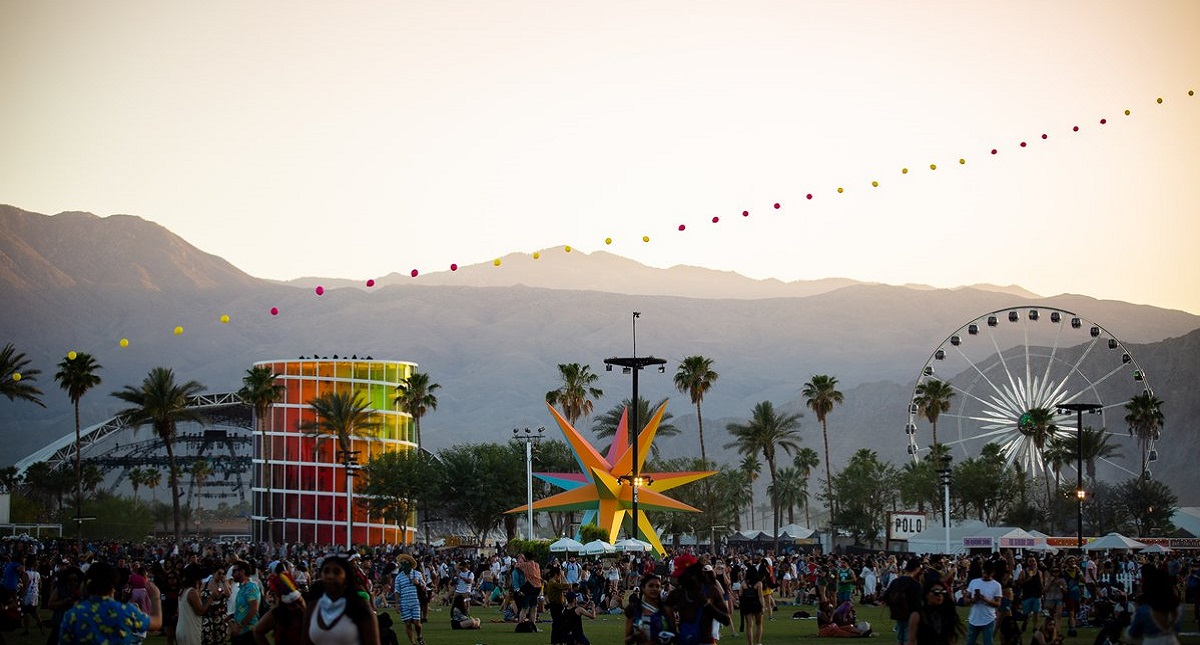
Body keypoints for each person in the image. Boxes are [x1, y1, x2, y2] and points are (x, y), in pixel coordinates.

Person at [59, 560, 163, 645]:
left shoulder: (72, 615)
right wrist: (155, 598)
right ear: (112, 586)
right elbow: (156, 623)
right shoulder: (125, 611)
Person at [302, 555, 380, 645]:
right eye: (326, 571)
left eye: (336, 572)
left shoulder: (360, 607)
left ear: (346, 577)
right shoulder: (313, 608)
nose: (330, 576)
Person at [663, 555, 730, 645]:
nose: (679, 579)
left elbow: (726, 620)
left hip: (706, 641)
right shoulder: (677, 594)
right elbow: (665, 612)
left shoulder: (711, 590)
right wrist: (674, 630)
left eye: (682, 575)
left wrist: (707, 605)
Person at [253, 572, 307, 645]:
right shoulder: (277, 614)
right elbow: (258, 631)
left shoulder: (310, 611)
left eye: (300, 602)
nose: (298, 606)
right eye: (292, 605)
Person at [906, 580, 964, 645]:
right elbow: (911, 641)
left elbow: (951, 638)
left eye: (943, 592)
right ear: (926, 594)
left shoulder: (947, 613)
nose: (940, 595)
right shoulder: (917, 615)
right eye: (936, 592)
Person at [885, 558, 925, 645]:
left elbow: (886, 596)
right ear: (917, 569)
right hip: (911, 613)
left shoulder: (896, 581)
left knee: (900, 637)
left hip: (898, 612)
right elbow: (918, 603)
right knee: (909, 638)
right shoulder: (915, 584)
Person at [44, 564, 83, 645]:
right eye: (70, 580)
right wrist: (64, 602)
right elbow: (50, 605)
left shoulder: (82, 591)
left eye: (75, 580)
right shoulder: (60, 589)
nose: (73, 583)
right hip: (60, 625)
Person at [965, 561, 1002, 645]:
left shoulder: (996, 585)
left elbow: (998, 604)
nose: (985, 575)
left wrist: (985, 599)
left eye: (988, 573)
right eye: (984, 572)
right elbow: (965, 599)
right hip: (974, 618)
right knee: (970, 642)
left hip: (988, 619)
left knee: (988, 642)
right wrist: (972, 600)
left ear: (993, 573)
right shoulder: (974, 582)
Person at [392, 554, 425, 645]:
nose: (403, 564)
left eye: (405, 563)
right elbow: (397, 591)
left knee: (417, 622)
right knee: (407, 623)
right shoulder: (399, 577)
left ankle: (419, 637)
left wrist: (418, 583)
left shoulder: (417, 574)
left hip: (415, 601)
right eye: (401, 563)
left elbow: (424, 586)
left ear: (410, 564)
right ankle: (412, 642)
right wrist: (397, 604)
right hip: (404, 602)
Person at [625, 573, 666, 645]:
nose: (654, 589)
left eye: (658, 586)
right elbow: (627, 641)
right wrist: (635, 636)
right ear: (643, 588)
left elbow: (675, 636)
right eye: (651, 586)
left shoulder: (666, 609)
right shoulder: (634, 610)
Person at [230, 560, 262, 644]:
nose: (232, 574)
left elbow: (254, 609)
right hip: (240, 632)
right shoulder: (242, 587)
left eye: (234, 571)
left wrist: (240, 626)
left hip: (247, 632)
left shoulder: (250, 587)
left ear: (242, 571)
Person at [202, 565, 231, 645]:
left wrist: (224, 582)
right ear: (214, 573)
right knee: (207, 638)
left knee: (221, 638)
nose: (221, 575)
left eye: (223, 573)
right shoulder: (205, 584)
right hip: (208, 614)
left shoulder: (224, 584)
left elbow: (228, 595)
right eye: (219, 573)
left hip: (220, 615)